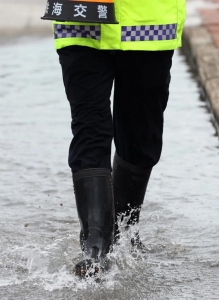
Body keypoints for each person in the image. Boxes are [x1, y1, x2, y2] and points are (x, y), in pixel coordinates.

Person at [53, 0, 186, 276]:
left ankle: (123, 232)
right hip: (82, 19)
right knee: (90, 127)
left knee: (141, 137)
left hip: (149, 23)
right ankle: (95, 246)